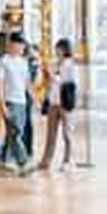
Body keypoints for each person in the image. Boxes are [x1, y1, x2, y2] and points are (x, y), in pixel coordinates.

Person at [0, 31, 33, 175]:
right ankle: (23, 161)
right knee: (15, 132)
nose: (21, 47)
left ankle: (7, 158)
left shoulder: (23, 62)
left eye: (23, 44)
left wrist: (34, 98)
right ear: (11, 44)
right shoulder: (3, 61)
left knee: (15, 132)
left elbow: (26, 82)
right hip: (10, 101)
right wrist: (2, 105)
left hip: (22, 101)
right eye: (19, 44)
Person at [37, 38, 77, 171]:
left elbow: (67, 82)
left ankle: (68, 160)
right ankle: (46, 160)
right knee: (51, 133)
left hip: (65, 102)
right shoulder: (55, 63)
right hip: (54, 102)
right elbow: (51, 84)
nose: (57, 51)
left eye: (59, 48)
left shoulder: (70, 64)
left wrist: (52, 75)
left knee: (67, 133)